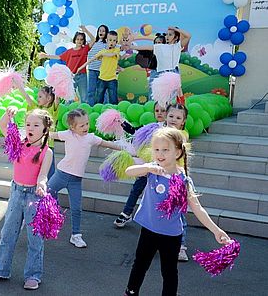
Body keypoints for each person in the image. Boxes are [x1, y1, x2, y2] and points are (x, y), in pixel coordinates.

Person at [123, 127, 230, 296]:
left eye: (166, 150)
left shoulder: (183, 180)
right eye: (157, 149)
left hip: (171, 235)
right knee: (140, 265)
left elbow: (197, 208)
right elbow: (129, 171)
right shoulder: (152, 169)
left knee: (170, 271)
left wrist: (216, 230)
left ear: (178, 152)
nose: (160, 154)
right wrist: (148, 168)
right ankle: (130, 292)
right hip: (148, 230)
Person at [0, 108, 53, 290]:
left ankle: (33, 275)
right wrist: (8, 116)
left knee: (35, 238)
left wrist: (41, 185)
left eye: (36, 125)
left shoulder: (48, 152)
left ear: (45, 129)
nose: (30, 127)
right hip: (16, 192)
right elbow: (1, 125)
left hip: (34, 197)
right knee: (7, 233)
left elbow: (43, 175)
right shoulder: (18, 143)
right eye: (28, 124)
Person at [48, 109, 120, 248]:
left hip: (76, 181)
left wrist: (124, 148)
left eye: (87, 123)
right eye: (81, 125)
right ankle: (33, 221)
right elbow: (50, 135)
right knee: (44, 196)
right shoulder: (68, 135)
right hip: (61, 174)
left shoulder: (90, 138)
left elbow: (107, 143)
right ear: (72, 127)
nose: (86, 127)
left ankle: (76, 235)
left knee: (76, 208)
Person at [114, 103, 168, 228]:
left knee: (159, 194)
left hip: (163, 169)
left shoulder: (171, 130)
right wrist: (123, 123)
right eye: (157, 110)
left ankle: (161, 221)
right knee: (136, 189)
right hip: (148, 165)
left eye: (163, 110)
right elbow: (135, 131)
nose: (159, 113)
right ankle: (126, 213)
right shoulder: (150, 127)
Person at [14, 79, 59, 179]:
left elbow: (57, 98)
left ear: (49, 98)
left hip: (48, 146)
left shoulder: (53, 109)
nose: (37, 98)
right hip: (35, 146)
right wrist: (18, 84)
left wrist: (58, 83)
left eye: (40, 96)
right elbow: (26, 96)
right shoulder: (35, 108)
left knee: (50, 174)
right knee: (35, 171)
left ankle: (49, 193)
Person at [38, 25, 95, 103]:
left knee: (84, 97)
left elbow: (93, 39)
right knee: (69, 98)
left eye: (81, 40)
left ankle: (84, 112)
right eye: (77, 39)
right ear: (75, 40)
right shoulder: (70, 51)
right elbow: (59, 57)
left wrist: (86, 31)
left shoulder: (85, 49)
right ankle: (67, 112)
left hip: (82, 76)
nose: (79, 41)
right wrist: (46, 55)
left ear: (83, 41)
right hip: (71, 77)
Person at [131, 27, 191, 99]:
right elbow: (146, 47)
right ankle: (154, 107)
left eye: (170, 34)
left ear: (176, 37)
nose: (167, 36)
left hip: (173, 73)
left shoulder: (178, 46)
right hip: (161, 73)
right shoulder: (160, 46)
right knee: (157, 94)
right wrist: (131, 47)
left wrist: (176, 29)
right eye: (166, 34)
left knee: (173, 96)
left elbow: (188, 36)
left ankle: (175, 107)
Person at [79, 30, 120, 105]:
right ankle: (98, 113)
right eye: (110, 40)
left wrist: (103, 54)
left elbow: (112, 55)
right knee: (98, 99)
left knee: (113, 99)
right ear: (107, 40)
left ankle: (114, 114)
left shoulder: (116, 50)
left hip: (112, 79)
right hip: (102, 79)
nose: (112, 42)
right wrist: (80, 67)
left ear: (116, 42)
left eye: (114, 40)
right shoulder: (102, 51)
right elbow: (91, 59)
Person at [86, 24, 109, 106]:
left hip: (102, 70)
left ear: (106, 33)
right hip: (92, 69)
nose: (101, 32)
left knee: (102, 91)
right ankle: (90, 108)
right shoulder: (93, 42)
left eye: (103, 31)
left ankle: (104, 107)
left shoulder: (107, 44)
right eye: (100, 30)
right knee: (91, 91)